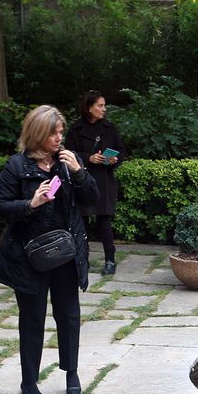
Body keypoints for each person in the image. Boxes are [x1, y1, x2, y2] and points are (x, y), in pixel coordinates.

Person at [0, 105, 99, 394]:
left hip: (65, 253)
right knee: (32, 319)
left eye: (61, 132)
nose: (59, 137)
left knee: (68, 315)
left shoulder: (69, 162)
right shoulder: (16, 166)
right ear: (37, 134)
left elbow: (92, 199)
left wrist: (79, 173)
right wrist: (31, 203)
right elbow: (1, 207)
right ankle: (29, 382)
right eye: (53, 132)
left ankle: (71, 373)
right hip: (30, 257)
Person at [65, 90, 126, 275]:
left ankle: (110, 260)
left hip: (104, 180)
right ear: (88, 108)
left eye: (104, 105)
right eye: (100, 105)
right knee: (81, 222)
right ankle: (82, 259)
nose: (104, 109)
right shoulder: (76, 129)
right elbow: (68, 154)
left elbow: (121, 150)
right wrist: (88, 158)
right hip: (82, 179)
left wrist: (114, 160)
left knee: (104, 221)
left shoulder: (109, 128)